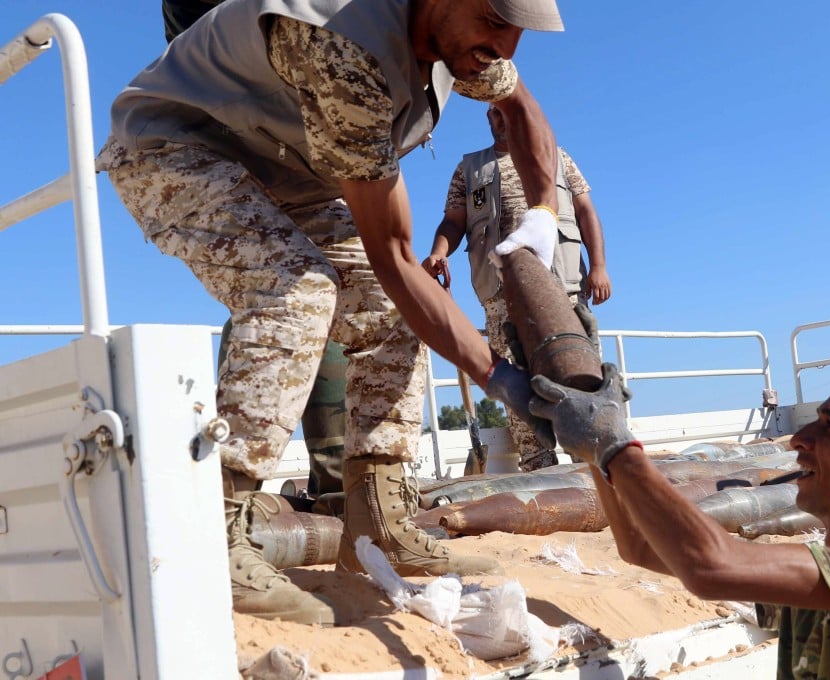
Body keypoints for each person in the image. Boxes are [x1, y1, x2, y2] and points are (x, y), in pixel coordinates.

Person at [97, 0, 567, 626]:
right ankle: (212, 531)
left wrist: (542, 213)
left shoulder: (471, 41)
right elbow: (397, 253)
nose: (504, 44)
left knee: (388, 309)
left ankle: (375, 524)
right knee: (297, 288)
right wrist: (503, 380)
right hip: (175, 146)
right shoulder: (345, 45)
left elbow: (521, 109)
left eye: (518, 31)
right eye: (492, 20)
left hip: (285, 172)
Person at [530, 362, 830, 676]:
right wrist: (593, 451)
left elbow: (711, 566)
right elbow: (642, 548)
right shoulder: (826, 579)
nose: (800, 439)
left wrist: (614, 444)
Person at [163, 0, 349, 514]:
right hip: (235, 142)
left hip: (303, 152)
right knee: (284, 295)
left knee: (348, 291)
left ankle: (347, 491)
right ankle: (227, 506)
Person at [422, 105, 610, 470]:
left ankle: (589, 462)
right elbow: (453, 221)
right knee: (515, 382)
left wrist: (599, 267)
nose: (499, 119)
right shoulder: (470, 169)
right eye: (492, 114)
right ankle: (540, 466)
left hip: (562, 289)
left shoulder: (555, 158)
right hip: (501, 295)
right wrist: (437, 252)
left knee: (578, 373)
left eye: (504, 111)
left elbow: (586, 210)